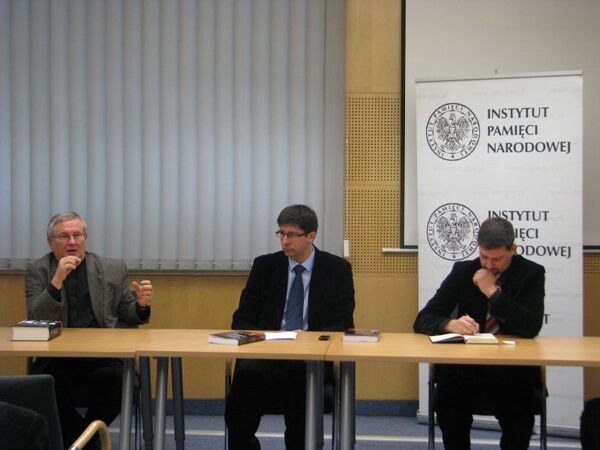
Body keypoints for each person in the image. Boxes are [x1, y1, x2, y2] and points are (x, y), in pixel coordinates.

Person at [225, 204, 355, 450]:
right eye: (281, 234)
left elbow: (342, 323)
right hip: (266, 354)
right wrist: (265, 338)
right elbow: (241, 319)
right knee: (246, 380)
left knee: (301, 387)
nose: (285, 241)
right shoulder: (265, 266)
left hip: (311, 358)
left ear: (311, 236)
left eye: (292, 235)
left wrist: (310, 339)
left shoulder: (336, 269)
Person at [414, 217, 545, 450]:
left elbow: (530, 326)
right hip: (466, 370)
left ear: (512, 249)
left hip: (512, 371)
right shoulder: (464, 271)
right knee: (448, 398)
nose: (489, 265)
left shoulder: (531, 273)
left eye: (497, 259)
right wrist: (449, 324)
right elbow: (423, 318)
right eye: (484, 257)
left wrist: (492, 292)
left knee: (519, 415)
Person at [25, 211, 153, 449]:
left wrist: (142, 306)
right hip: (58, 356)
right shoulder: (38, 270)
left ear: (86, 237)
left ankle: (82, 442)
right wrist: (56, 281)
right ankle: (90, 441)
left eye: (77, 235)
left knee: (118, 381)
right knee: (43, 384)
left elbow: (128, 314)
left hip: (103, 356)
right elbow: (36, 317)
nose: (72, 242)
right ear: (50, 241)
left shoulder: (112, 268)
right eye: (64, 236)